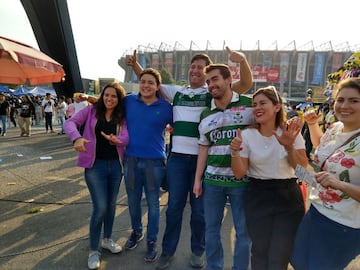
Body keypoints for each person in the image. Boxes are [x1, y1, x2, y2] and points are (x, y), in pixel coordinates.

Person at [126, 47, 253, 270]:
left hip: (202, 162)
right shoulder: (177, 92)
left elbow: (244, 85)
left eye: (201, 68)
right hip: (176, 160)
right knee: (173, 207)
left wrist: (241, 60)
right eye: (192, 66)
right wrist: (135, 66)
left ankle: (198, 251)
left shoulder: (211, 93)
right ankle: (167, 251)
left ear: (207, 73)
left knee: (199, 211)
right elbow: (149, 82)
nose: (195, 70)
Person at [229, 86, 308, 270]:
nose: (257, 107)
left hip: (288, 196)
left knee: (279, 255)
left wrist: (289, 147)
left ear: (277, 107)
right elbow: (240, 173)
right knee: (259, 251)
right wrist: (234, 152)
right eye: (254, 104)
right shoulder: (247, 135)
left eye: (263, 103)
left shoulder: (290, 132)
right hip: (258, 195)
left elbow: (302, 169)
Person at [290, 77, 360, 270]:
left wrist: (339, 184)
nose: (344, 106)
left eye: (354, 101)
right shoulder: (335, 128)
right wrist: (312, 126)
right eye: (341, 99)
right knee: (298, 261)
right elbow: (324, 149)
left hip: (344, 225)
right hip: (317, 210)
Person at [193, 64, 255, 270]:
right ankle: (214, 267)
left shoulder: (250, 105)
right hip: (212, 182)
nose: (211, 85)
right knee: (211, 230)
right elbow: (203, 149)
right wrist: (197, 180)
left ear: (229, 79)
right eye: (208, 81)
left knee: (243, 232)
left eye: (215, 79)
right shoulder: (205, 115)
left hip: (242, 182)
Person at [63, 82, 129, 270]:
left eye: (114, 96)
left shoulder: (121, 116)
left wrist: (119, 140)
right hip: (95, 167)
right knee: (100, 207)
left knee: (111, 205)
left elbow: (127, 137)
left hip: (116, 166)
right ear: (102, 96)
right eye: (106, 95)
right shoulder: (91, 111)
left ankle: (107, 239)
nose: (109, 98)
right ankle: (93, 250)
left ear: (119, 99)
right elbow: (70, 122)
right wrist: (76, 137)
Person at [123, 68, 173, 263]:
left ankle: (152, 241)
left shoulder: (166, 107)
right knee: (133, 201)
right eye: (143, 81)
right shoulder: (129, 101)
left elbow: (179, 124)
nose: (146, 85)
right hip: (131, 160)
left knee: (153, 204)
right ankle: (136, 232)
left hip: (155, 162)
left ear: (157, 86)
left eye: (151, 82)